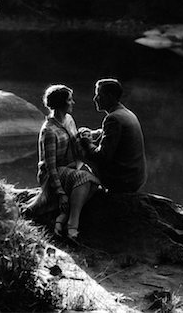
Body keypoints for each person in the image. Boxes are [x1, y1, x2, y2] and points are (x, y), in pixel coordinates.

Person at [29, 84, 101, 240]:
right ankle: (72, 225)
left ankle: (63, 216)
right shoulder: (49, 130)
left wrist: (95, 134)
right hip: (51, 175)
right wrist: (61, 193)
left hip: (69, 168)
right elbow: (50, 166)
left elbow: (76, 141)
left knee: (95, 184)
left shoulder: (68, 119)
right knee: (84, 178)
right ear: (62, 103)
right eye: (69, 100)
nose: (73, 102)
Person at [80, 78, 147, 193]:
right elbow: (111, 136)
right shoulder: (126, 113)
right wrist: (94, 133)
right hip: (136, 178)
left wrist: (86, 143)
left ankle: (69, 183)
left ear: (110, 96)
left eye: (99, 95)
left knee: (78, 147)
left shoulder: (113, 119)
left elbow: (102, 156)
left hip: (123, 181)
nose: (95, 99)